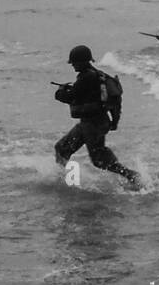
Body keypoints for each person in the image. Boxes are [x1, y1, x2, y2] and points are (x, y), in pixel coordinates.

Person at [53, 45, 137, 185]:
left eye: (74, 62)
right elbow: (113, 100)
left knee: (99, 159)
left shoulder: (87, 77)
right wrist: (115, 121)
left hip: (92, 124)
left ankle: (132, 176)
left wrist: (60, 91)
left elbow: (69, 97)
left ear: (82, 61)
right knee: (62, 148)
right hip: (95, 122)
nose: (72, 65)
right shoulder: (98, 75)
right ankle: (62, 179)